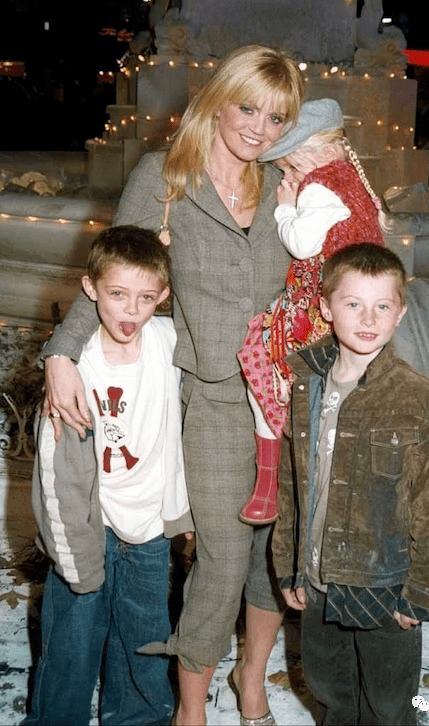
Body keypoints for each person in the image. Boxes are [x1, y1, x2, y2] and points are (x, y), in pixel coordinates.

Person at [39, 45, 304, 726]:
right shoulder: (166, 176)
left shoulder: (285, 180)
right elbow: (116, 266)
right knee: (222, 556)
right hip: (212, 398)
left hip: (284, 396)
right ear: (219, 100)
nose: (260, 128)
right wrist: (61, 352)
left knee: (273, 553)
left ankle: (251, 676)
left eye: (277, 118)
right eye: (248, 108)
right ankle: (189, 710)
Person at [272, 243, 429, 726]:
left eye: (382, 306)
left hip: (385, 587)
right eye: (353, 303)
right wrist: (290, 566)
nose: (368, 318)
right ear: (326, 307)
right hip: (318, 581)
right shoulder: (307, 385)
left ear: (400, 313)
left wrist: (421, 593)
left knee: (389, 706)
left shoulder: (420, 399)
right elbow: (293, 485)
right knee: (330, 695)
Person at [23, 226, 193, 726]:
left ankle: (139, 718)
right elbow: (56, 471)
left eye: (146, 297)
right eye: (117, 294)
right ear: (90, 288)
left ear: (163, 296)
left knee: (144, 638)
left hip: (148, 527)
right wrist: (69, 547)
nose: (130, 310)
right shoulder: (75, 368)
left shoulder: (167, 342)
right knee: (72, 639)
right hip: (88, 525)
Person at [237, 98, 384, 526]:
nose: (287, 177)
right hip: (347, 306)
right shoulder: (352, 178)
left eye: (289, 167)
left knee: (260, 358)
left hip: (315, 309)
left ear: (313, 154)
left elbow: (302, 244)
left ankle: (267, 482)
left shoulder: (319, 185)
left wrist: (286, 206)